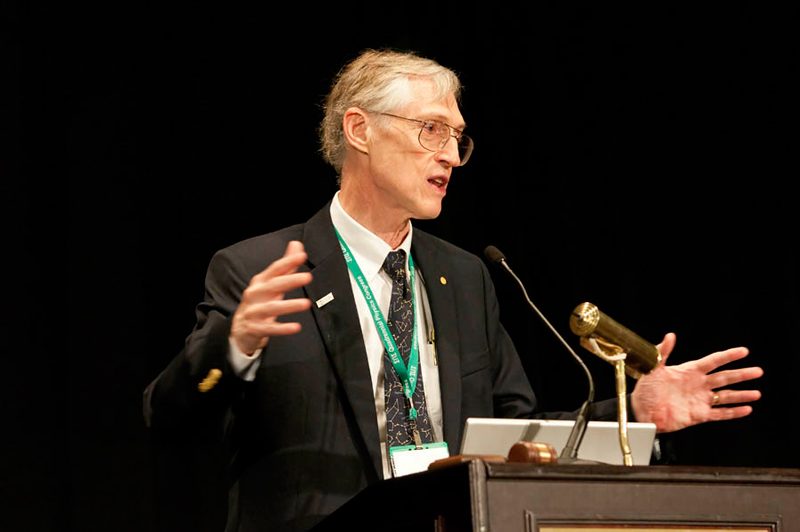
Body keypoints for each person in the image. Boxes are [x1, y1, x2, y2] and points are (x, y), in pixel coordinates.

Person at [144, 49, 763, 531]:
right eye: (431, 131)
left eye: (456, 138)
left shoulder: (466, 277)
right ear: (359, 129)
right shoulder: (259, 267)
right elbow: (169, 419)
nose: (450, 157)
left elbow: (517, 440)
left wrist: (634, 415)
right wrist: (234, 347)